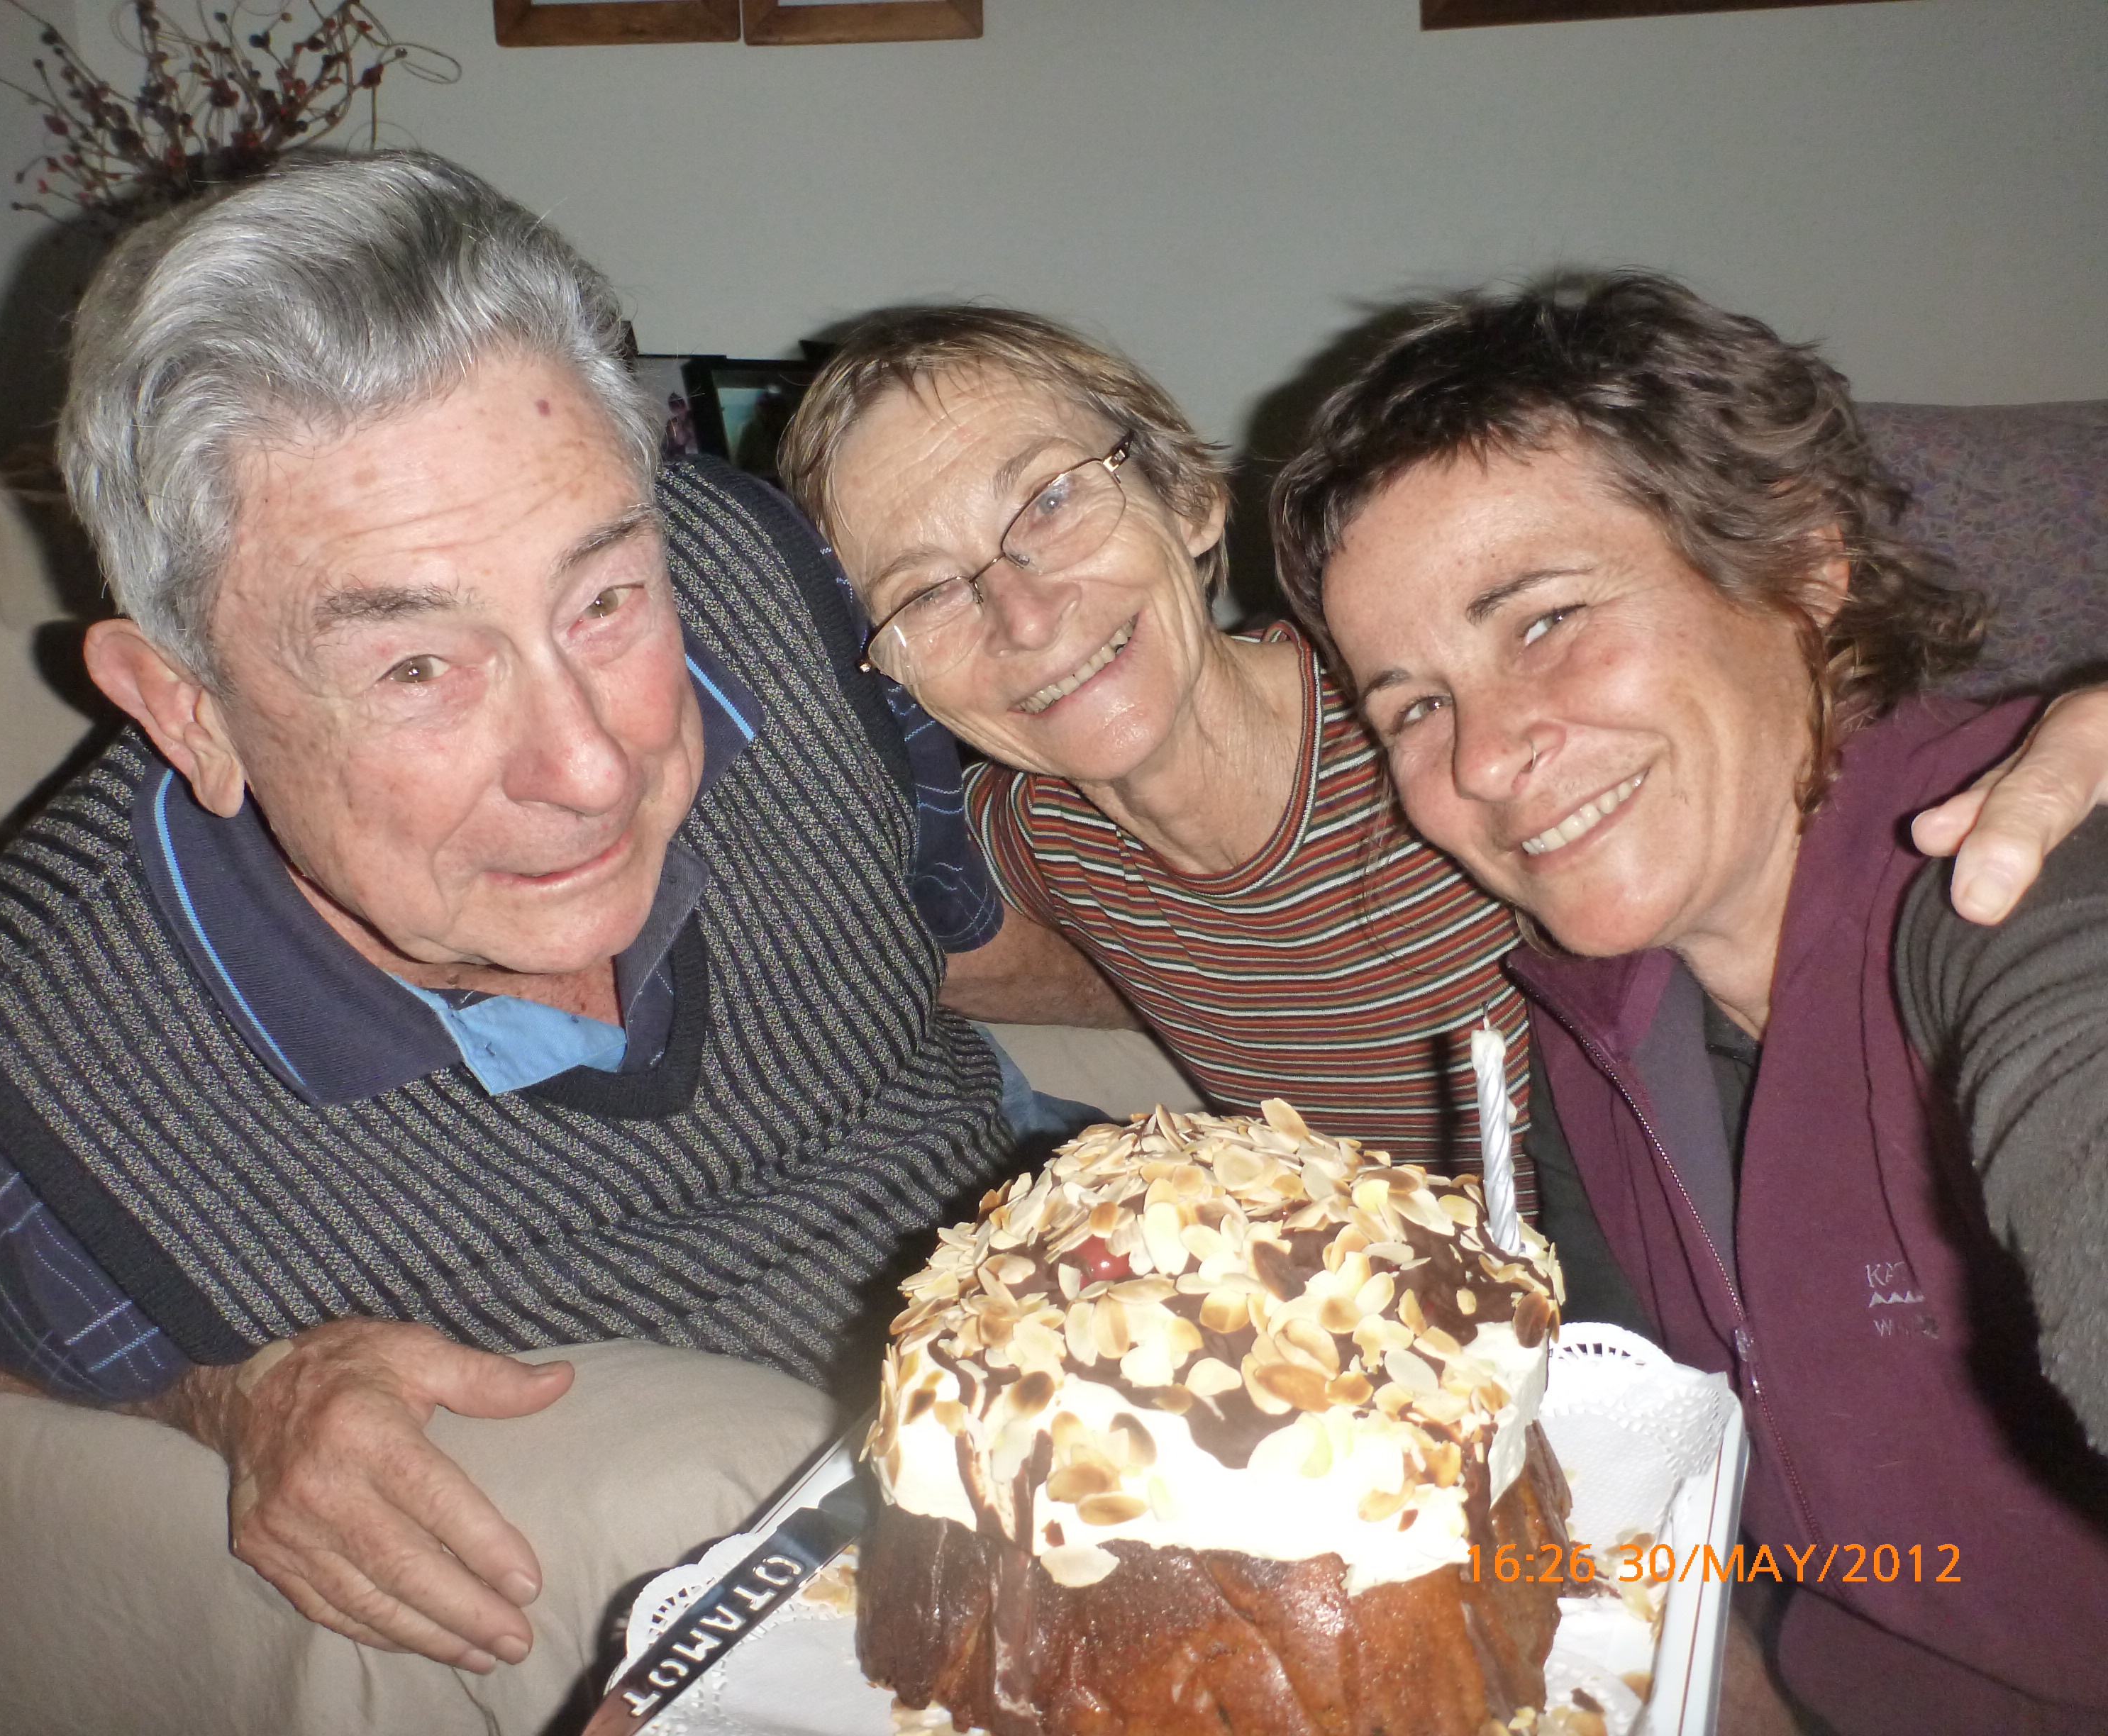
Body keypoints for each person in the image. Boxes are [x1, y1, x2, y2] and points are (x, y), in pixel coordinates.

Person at [0, 150, 1027, 1703]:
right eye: (416, 668)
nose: (590, 764)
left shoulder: (758, 576)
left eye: (604, 600)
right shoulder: (28, 1059)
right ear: (187, 711)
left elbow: (963, 924)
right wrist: (236, 1398)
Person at [776, 308, 2108, 1223]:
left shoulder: (1455, 731)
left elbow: (1823, 756)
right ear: (892, 673)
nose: (1021, 613)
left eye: (1052, 500)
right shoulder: (1032, 843)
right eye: (926, 591)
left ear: (1189, 495)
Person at [1277, 270, 2108, 1733]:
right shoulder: (1587, 1030)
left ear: (1799, 560)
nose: (1481, 759)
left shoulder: (2014, 871)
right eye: (1415, 704)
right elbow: (1646, 1477)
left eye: (1544, 620)